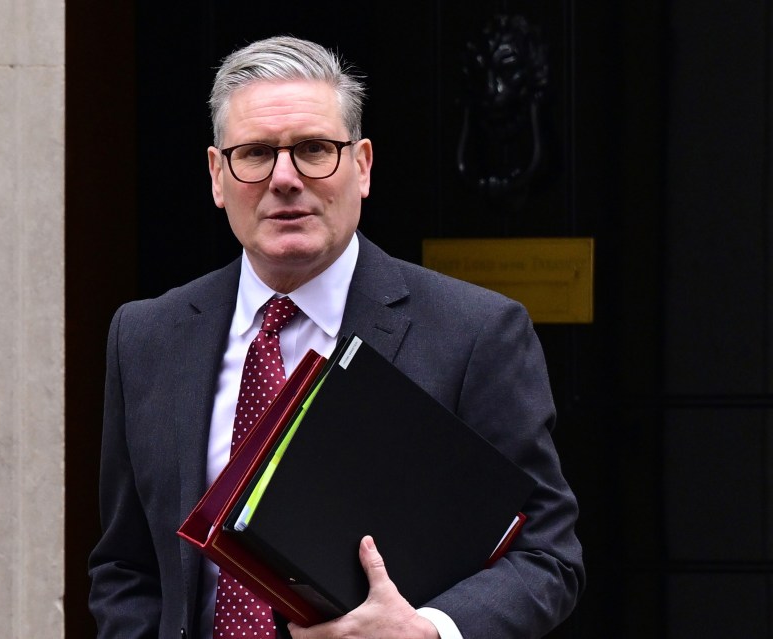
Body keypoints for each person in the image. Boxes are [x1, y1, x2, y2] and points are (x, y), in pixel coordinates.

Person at [88, 35, 585, 639]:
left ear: (363, 165)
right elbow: (126, 565)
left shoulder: (475, 333)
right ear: (218, 175)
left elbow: (545, 556)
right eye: (255, 154)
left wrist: (426, 631)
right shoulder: (146, 336)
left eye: (314, 149)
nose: (285, 178)